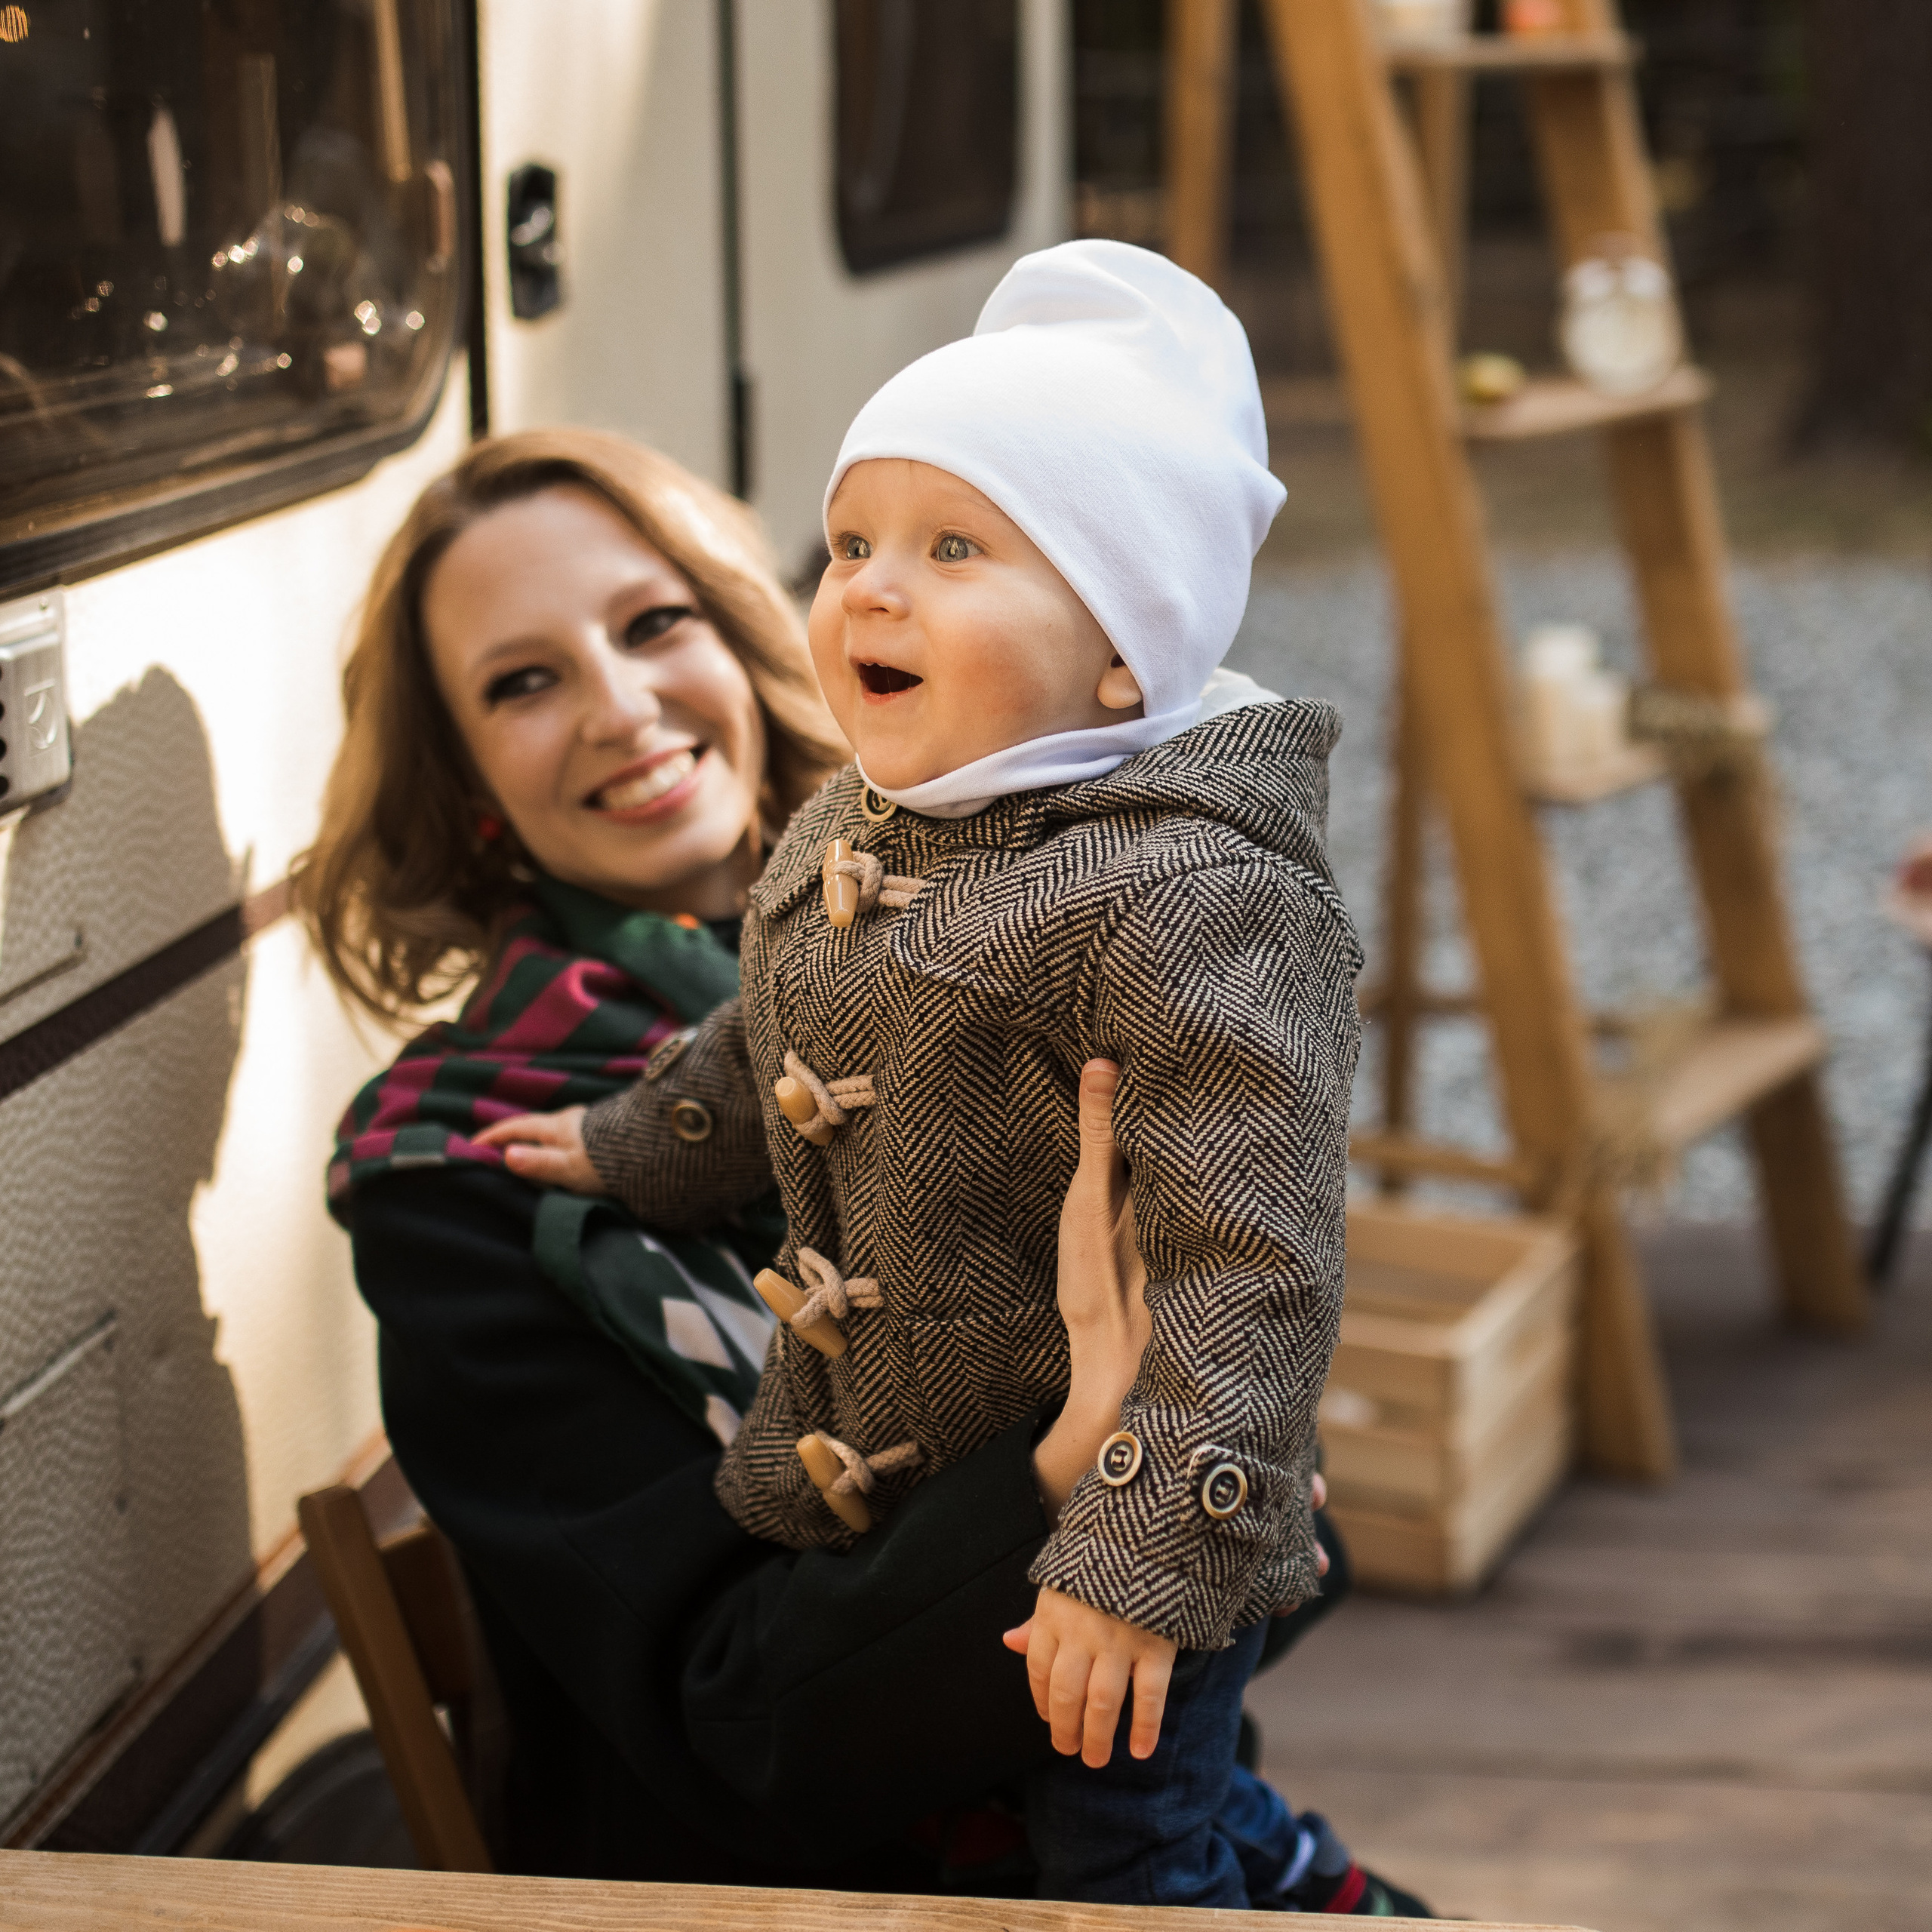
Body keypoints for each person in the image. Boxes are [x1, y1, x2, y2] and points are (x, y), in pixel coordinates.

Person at [300, 423, 1423, 1913]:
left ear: (748, 644)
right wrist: (1073, 1455)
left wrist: (1180, 1467)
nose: (620, 705)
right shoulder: (458, 1177)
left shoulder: (1034, 949)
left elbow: (1294, 1543)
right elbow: (748, 1742)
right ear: (464, 789)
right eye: (523, 680)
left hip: (1165, 1802)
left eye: (653, 625)